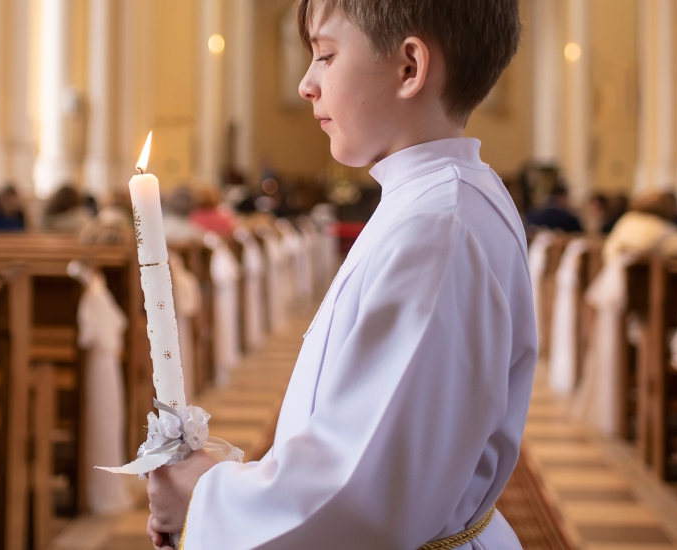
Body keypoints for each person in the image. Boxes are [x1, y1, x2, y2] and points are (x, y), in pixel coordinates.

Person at [146, 1, 532, 548]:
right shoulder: (442, 197)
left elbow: (360, 499)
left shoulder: (437, 226)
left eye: (325, 55)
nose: (306, 84)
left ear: (409, 68)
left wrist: (204, 502)